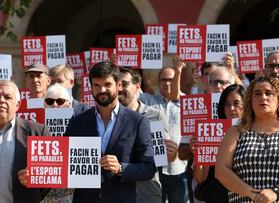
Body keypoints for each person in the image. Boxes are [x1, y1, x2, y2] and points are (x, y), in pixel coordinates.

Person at [65, 61, 155, 202]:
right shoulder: (78, 121)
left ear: (118, 85)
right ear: (91, 87)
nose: (102, 90)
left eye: (107, 84)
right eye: (97, 85)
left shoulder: (137, 122)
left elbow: (149, 168)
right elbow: (63, 162)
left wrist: (120, 168)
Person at [216, 77, 279, 202]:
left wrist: (276, 191)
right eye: (257, 93)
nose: (263, 97)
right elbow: (221, 171)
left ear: (278, 100)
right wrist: (253, 194)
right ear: (250, 101)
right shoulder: (236, 131)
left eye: (269, 93)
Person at [118, 67, 178, 203]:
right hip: (117, 193)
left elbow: (165, 156)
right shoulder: (107, 117)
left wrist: (172, 154)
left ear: (137, 87)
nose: (120, 88)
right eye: (117, 84)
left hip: (147, 194)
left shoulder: (155, 115)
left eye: (125, 84)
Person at [139, 56, 189, 203]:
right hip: (155, 167)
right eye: (164, 80)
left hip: (180, 167)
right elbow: (128, 91)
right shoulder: (147, 100)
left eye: (171, 79)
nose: (168, 83)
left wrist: (178, 70)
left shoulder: (187, 102)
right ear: (158, 82)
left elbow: (175, 96)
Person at [193, 84, 245, 203]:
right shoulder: (211, 131)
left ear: (245, 105)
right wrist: (198, 152)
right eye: (227, 104)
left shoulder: (254, 130)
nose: (231, 108)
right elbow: (200, 178)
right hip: (216, 195)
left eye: (236, 103)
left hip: (243, 195)